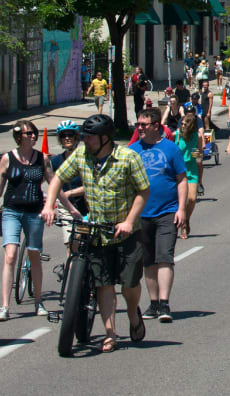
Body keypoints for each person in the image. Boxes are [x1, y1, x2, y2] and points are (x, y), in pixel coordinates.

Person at [41, 114, 150, 352]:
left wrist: (130, 221)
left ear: (105, 138)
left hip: (125, 231)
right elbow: (58, 178)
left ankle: (133, 315)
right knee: (104, 283)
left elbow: (143, 191)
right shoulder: (82, 155)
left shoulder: (128, 158)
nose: (85, 141)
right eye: (84, 137)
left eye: (89, 137)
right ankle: (110, 333)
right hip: (98, 231)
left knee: (129, 283)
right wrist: (49, 205)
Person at [127, 108, 188, 324]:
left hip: (167, 211)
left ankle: (164, 303)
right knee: (148, 261)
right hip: (141, 214)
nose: (140, 128)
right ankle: (153, 303)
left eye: (143, 124)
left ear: (156, 126)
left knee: (165, 257)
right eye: (138, 125)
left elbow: (182, 179)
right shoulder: (132, 151)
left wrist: (181, 209)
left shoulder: (170, 149)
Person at [0, 120, 55, 321]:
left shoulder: (42, 159)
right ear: (18, 136)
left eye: (34, 133)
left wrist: (65, 208)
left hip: (34, 212)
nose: (32, 137)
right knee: (10, 256)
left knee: (34, 254)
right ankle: (4, 306)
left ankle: (38, 302)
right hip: (12, 210)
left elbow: (54, 184)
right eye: (28, 133)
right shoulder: (7, 158)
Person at [175, 114, 203, 240]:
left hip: (191, 170)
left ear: (191, 125)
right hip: (178, 171)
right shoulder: (176, 136)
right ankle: (183, 226)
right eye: (181, 124)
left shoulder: (197, 137)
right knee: (180, 200)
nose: (182, 126)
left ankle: (186, 219)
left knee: (192, 199)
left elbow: (201, 155)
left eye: (185, 124)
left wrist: (198, 154)